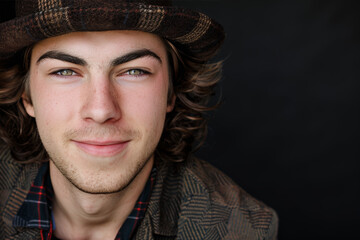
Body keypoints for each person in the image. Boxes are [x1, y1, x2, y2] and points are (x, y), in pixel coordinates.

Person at [0, 0, 278, 239]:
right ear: (27, 96)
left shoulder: (239, 227)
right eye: (64, 72)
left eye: (134, 71)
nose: (101, 110)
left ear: (172, 91)